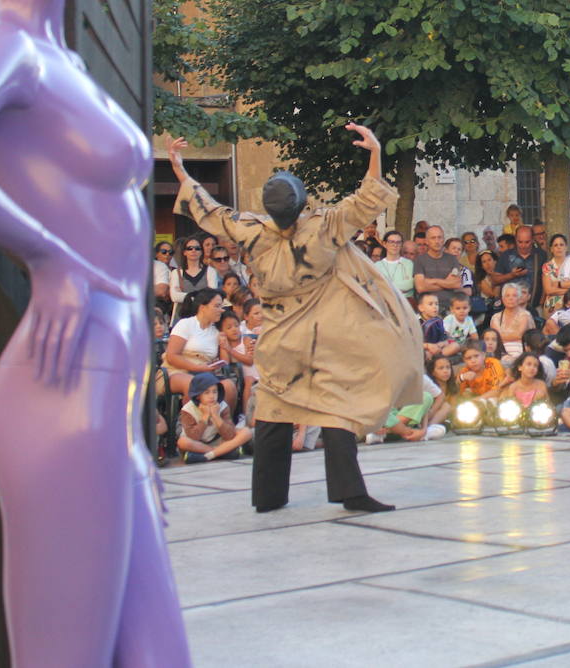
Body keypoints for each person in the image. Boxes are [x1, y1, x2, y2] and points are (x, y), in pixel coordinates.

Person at [0, 0, 191, 668]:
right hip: (63, 380)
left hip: (110, 385)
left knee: (156, 655)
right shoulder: (3, 47)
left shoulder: (59, 60)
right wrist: (48, 255)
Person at [168, 123, 422, 514]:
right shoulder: (321, 229)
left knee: (273, 413)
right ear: (302, 204)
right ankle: (349, 491)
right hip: (323, 340)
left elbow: (212, 214)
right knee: (335, 409)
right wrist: (374, 152)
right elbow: (365, 202)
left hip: (278, 342)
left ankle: (268, 497)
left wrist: (181, 170)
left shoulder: (251, 232)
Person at [163, 288, 240, 414]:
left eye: (222, 306)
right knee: (193, 384)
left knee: (229, 386)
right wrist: (198, 368)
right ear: (203, 307)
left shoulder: (216, 332)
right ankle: (192, 427)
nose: (221, 310)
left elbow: (224, 362)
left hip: (205, 373)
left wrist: (225, 346)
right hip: (176, 370)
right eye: (217, 306)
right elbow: (172, 356)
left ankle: (223, 427)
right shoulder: (185, 324)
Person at [177, 371, 253, 463]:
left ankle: (209, 456)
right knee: (182, 442)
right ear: (197, 396)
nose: (212, 396)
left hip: (217, 440)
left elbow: (230, 435)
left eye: (215, 392)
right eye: (207, 393)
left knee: (246, 432)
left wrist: (216, 416)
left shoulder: (222, 406)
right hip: (198, 444)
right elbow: (194, 437)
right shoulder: (187, 410)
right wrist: (205, 417)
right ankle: (222, 452)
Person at [375, 229, 415, 302]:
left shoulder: (408, 263)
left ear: (401, 245)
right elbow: (376, 286)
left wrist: (387, 287)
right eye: (391, 242)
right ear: (384, 244)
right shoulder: (377, 266)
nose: (395, 245)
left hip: (405, 303)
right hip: (384, 303)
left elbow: (410, 285)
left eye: (398, 242)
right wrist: (400, 288)